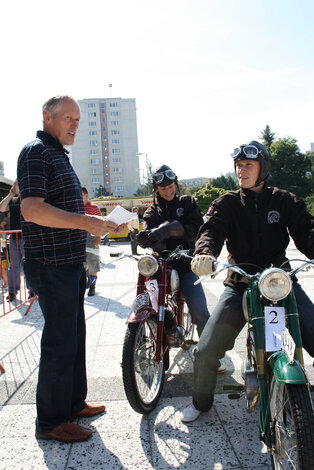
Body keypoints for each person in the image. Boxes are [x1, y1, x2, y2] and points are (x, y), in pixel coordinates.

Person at [17, 95, 125, 443]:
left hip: (69, 263)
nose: (75, 124)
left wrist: (96, 223)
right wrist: (86, 222)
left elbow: (63, 209)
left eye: (78, 119)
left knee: (75, 337)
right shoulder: (36, 151)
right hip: (50, 264)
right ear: (47, 117)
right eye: (68, 118)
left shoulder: (57, 155)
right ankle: (50, 422)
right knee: (60, 343)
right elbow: (32, 210)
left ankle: (73, 403)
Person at [181, 140, 314, 422]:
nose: (241, 171)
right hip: (240, 284)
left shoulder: (285, 200)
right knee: (205, 351)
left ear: (262, 167)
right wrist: (204, 254)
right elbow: (211, 231)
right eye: (238, 166)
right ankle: (201, 402)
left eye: (248, 165)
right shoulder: (226, 203)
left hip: (280, 282)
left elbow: (307, 232)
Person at [137, 164, 212, 345]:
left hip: (186, 265)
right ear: (156, 189)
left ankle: (211, 356)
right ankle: (138, 339)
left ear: (176, 185)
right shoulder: (152, 211)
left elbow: (197, 229)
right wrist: (144, 236)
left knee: (201, 313)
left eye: (171, 187)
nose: (168, 191)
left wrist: (171, 230)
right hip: (161, 267)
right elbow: (146, 232)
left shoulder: (187, 202)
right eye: (163, 188)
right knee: (144, 302)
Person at [0, 180, 33, 301]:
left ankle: (32, 291)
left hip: (27, 238)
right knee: (13, 266)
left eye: (16, 184)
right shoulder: (13, 200)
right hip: (14, 239)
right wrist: (10, 195)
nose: (13, 186)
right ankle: (13, 291)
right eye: (14, 184)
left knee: (28, 265)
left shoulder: (29, 200)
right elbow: (1, 208)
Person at [82, 187, 102, 296]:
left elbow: (100, 223)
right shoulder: (76, 208)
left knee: (93, 263)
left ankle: (92, 287)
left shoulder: (94, 208)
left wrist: (98, 237)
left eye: (81, 195)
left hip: (92, 238)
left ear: (86, 195)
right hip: (79, 238)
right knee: (82, 264)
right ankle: (86, 282)